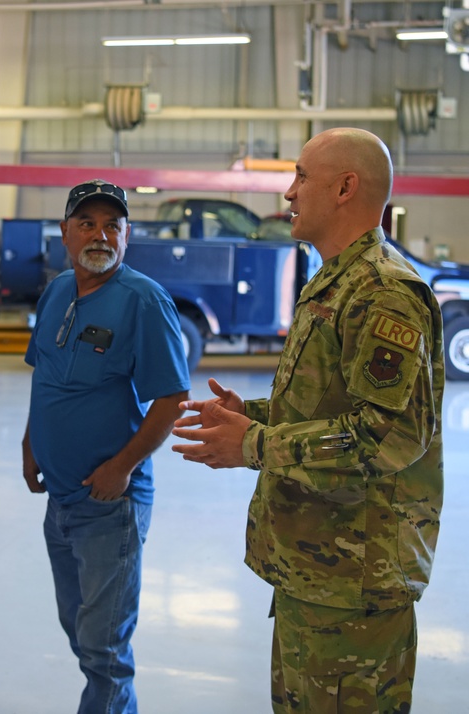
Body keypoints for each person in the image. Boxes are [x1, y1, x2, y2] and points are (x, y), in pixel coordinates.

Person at [171, 128, 444, 713]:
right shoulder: (335, 278)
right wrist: (253, 416)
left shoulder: (383, 292)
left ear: (346, 187)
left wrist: (257, 445)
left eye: (300, 177)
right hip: (316, 570)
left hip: (357, 581)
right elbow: (327, 410)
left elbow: (390, 437)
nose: (289, 193)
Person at [21, 179, 190, 713]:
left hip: (108, 505)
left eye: (113, 225)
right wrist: (31, 441)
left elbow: (171, 400)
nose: (101, 235)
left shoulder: (143, 300)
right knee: (81, 634)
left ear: (128, 235)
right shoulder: (55, 292)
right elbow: (43, 375)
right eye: (88, 224)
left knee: (104, 651)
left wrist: (121, 468)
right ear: (66, 234)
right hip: (61, 500)